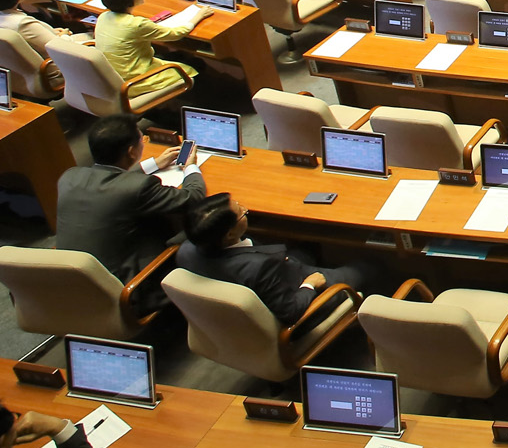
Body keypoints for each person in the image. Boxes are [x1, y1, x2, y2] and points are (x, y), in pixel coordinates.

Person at [176, 194, 372, 325]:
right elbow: (290, 312)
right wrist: (310, 285)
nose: (245, 209)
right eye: (241, 212)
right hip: (302, 294)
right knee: (368, 265)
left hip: (278, 271)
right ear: (228, 235)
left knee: (307, 245)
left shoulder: (186, 251)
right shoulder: (259, 268)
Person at [56, 113, 206, 283]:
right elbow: (192, 198)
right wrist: (191, 167)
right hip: (127, 287)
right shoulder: (139, 188)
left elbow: (110, 180)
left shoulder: (68, 177)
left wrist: (153, 164)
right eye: (142, 140)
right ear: (131, 152)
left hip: (71, 280)